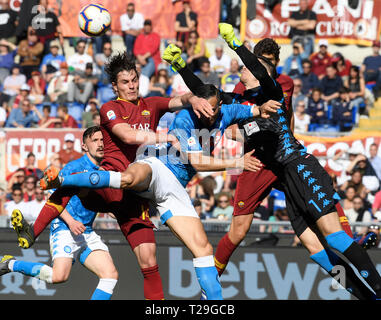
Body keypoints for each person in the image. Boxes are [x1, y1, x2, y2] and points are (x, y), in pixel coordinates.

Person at [10, 51, 215, 300]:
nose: (131, 86)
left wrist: (194, 99)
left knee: (149, 261)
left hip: (135, 194)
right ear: (115, 86)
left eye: (134, 80)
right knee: (74, 186)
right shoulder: (110, 108)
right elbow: (128, 135)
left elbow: (181, 99)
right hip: (110, 181)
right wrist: (166, 136)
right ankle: (33, 231)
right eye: (125, 82)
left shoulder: (152, 105)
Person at [39, 83, 270, 300]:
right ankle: (61, 179)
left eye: (211, 109)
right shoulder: (184, 119)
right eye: (201, 108)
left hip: (174, 189)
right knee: (129, 178)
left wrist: (265, 108)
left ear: (220, 106)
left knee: (203, 249)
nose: (205, 114)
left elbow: (255, 111)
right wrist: (237, 162)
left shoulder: (228, 113)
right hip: (158, 166)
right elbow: (198, 163)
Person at [215, 24, 381, 300]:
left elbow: (283, 120)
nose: (247, 70)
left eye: (268, 64)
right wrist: (241, 152)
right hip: (261, 161)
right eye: (258, 62)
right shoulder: (242, 91)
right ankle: (211, 282)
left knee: (333, 233)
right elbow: (229, 126)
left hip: (291, 162)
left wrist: (285, 139)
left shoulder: (280, 86)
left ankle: (368, 274)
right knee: (304, 245)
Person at [0, 127, 119, 300]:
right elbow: (51, 195)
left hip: (85, 231)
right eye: (95, 141)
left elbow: (106, 205)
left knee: (110, 275)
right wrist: (70, 221)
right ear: (84, 147)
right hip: (64, 227)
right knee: (59, 277)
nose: (100, 144)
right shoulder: (74, 167)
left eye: (103, 140)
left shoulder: (107, 169)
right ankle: (10, 264)